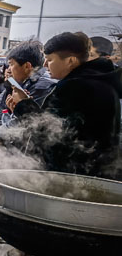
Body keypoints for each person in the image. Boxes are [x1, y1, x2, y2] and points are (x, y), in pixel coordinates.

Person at [10, 32, 122, 178]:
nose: (44, 65)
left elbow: (51, 134)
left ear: (70, 61)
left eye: (49, 60)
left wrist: (23, 105)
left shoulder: (78, 87)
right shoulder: (98, 82)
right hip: (93, 172)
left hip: (73, 175)